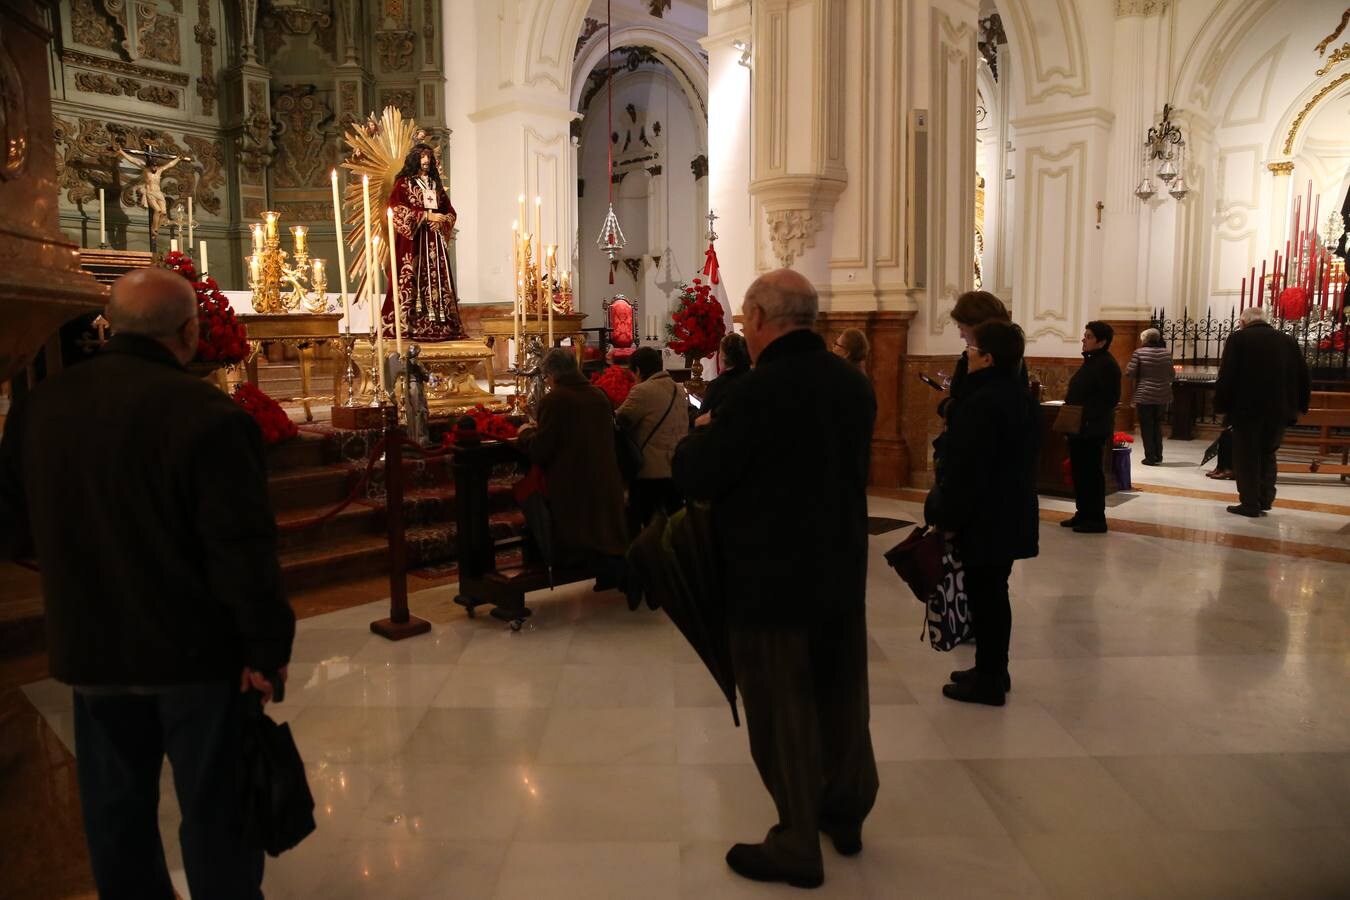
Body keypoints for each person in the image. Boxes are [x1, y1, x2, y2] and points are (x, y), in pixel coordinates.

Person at [0, 267, 295, 899]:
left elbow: (14, 533)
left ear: (110, 326)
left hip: (93, 651)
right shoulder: (208, 414)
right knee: (217, 816)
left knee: (116, 816)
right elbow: (242, 552)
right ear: (191, 331)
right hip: (198, 657)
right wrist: (266, 651)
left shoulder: (39, 406)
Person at [674, 268, 877, 889]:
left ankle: (795, 842)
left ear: (760, 319)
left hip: (770, 576)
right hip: (840, 566)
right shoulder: (853, 385)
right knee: (843, 694)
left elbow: (700, 476)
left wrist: (699, 437)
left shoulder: (755, 395)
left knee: (782, 706)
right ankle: (844, 814)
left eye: (745, 322)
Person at [924, 320, 1039, 706]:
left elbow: (967, 470)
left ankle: (989, 679)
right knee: (992, 593)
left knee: (986, 596)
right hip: (1006, 511)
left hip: (986, 515)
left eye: (971, 350)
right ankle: (993, 668)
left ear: (988, 358)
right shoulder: (1015, 395)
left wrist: (950, 520)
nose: (966, 355)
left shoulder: (983, 403)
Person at [516, 348, 628, 578]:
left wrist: (525, 433)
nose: (547, 382)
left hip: (574, 486)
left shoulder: (555, 399)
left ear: (553, 374)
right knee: (603, 537)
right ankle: (616, 574)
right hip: (605, 480)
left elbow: (540, 450)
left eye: (546, 377)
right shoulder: (598, 395)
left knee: (578, 542)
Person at [1214, 306, 1311, 516]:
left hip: (1246, 411)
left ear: (1243, 322)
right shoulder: (1287, 341)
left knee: (1246, 457)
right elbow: (1303, 376)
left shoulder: (1238, 339)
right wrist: (1301, 406)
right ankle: (1265, 499)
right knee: (1268, 453)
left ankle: (1250, 503)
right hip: (1279, 411)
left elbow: (1227, 375)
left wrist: (1220, 406)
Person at [385, 143, 466, 342]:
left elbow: (450, 212)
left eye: (429, 157)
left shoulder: (435, 185)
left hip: (434, 242)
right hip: (414, 242)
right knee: (412, 277)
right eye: (422, 156)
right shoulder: (404, 183)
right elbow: (395, 209)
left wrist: (443, 221)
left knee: (438, 278)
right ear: (415, 159)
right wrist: (427, 216)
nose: (426, 161)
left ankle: (441, 324)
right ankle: (409, 324)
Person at [616, 346, 689, 534]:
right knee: (672, 528)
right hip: (676, 468)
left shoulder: (642, 391)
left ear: (638, 370)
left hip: (650, 472)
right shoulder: (679, 390)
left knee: (646, 528)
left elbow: (619, 421)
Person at [1061, 320, 1121, 534]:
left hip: (1091, 429)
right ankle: (1083, 513)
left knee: (1090, 474)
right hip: (1080, 427)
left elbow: (1109, 399)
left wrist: (1086, 418)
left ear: (1102, 341)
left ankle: (1095, 519)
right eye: (1084, 335)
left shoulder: (1106, 364)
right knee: (1080, 473)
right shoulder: (1092, 361)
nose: (1083, 340)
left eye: (1088, 336)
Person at [1125, 327, 1174, 466]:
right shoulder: (1166, 353)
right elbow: (1171, 374)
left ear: (1145, 339)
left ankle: (1150, 457)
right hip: (1162, 395)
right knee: (1157, 425)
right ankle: (1159, 455)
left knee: (1147, 426)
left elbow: (1130, 373)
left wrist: (1129, 367)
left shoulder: (1139, 353)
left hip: (1145, 394)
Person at [118, 143, 185, 236]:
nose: (155, 168)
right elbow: (133, 160)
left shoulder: (160, 170)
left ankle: (157, 228)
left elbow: (170, 164)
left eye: (156, 166)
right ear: (149, 166)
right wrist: (121, 151)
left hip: (159, 193)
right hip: (150, 193)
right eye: (153, 166)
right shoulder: (146, 170)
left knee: (164, 213)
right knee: (158, 211)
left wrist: (178, 159)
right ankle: (154, 228)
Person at [700, 332, 751, 420]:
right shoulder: (754, 378)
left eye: (720, 352)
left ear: (724, 357)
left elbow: (702, 420)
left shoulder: (718, 385)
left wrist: (689, 409)